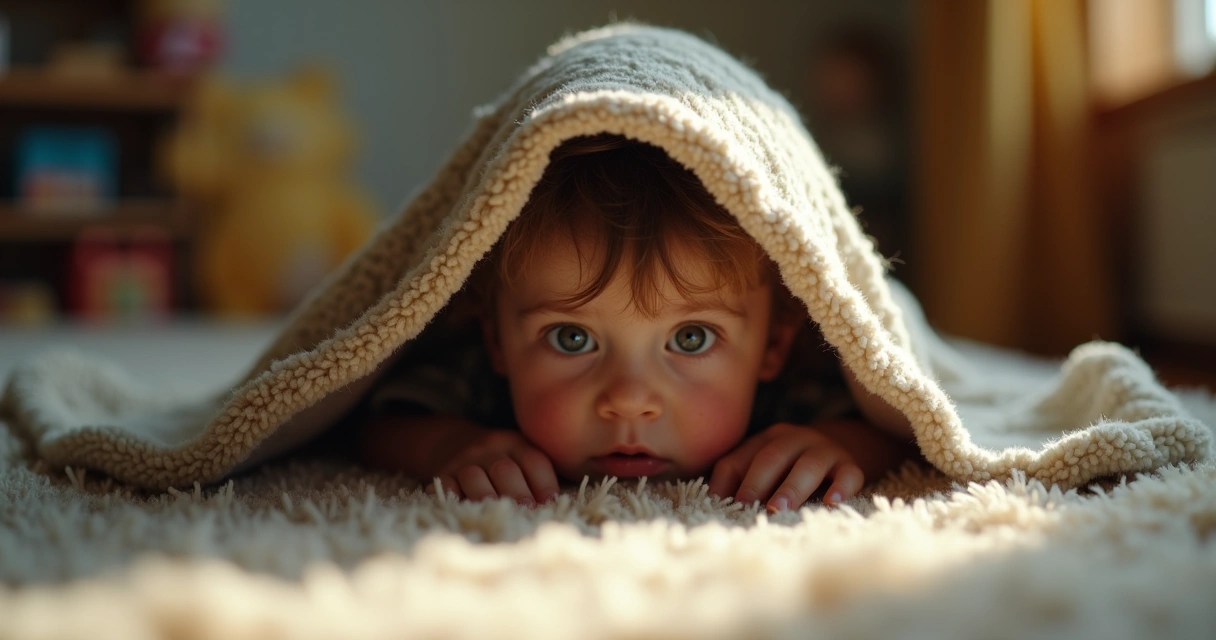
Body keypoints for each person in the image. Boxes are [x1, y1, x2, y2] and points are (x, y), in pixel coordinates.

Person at [355, 133, 916, 513]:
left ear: (771, 345)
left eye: (690, 338)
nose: (628, 399)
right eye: (571, 338)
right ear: (496, 339)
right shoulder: (482, 388)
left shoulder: (786, 400)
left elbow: (900, 421)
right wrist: (450, 445)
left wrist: (833, 445)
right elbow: (371, 421)